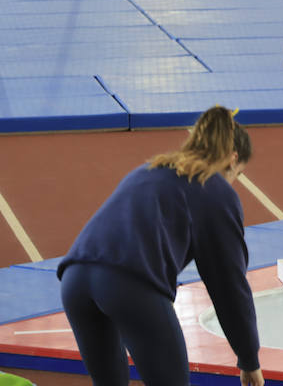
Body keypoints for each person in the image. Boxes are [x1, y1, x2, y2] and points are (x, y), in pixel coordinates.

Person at [57, 106, 264, 386]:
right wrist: (249, 357)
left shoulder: (150, 169)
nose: (233, 183)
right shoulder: (215, 189)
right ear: (233, 158)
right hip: (128, 285)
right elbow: (228, 285)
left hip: (74, 280)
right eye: (237, 175)